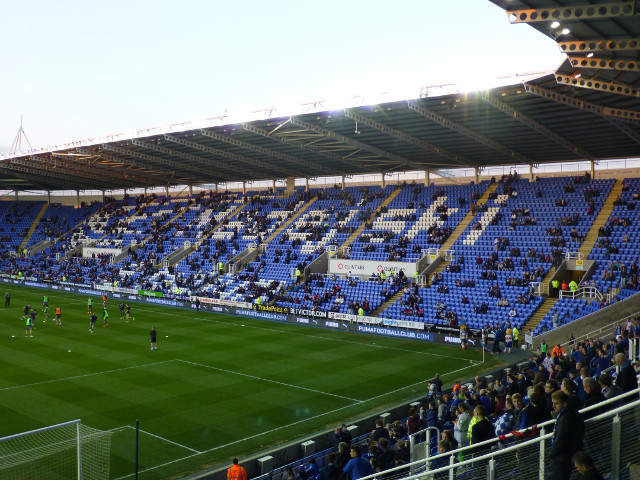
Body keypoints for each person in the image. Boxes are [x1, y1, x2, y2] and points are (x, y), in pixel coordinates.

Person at [549, 390, 584, 480]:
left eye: (556, 403)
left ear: (564, 404)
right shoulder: (568, 414)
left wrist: (552, 454)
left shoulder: (565, 417)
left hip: (562, 458)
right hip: (565, 456)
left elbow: (561, 439)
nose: (553, 406)